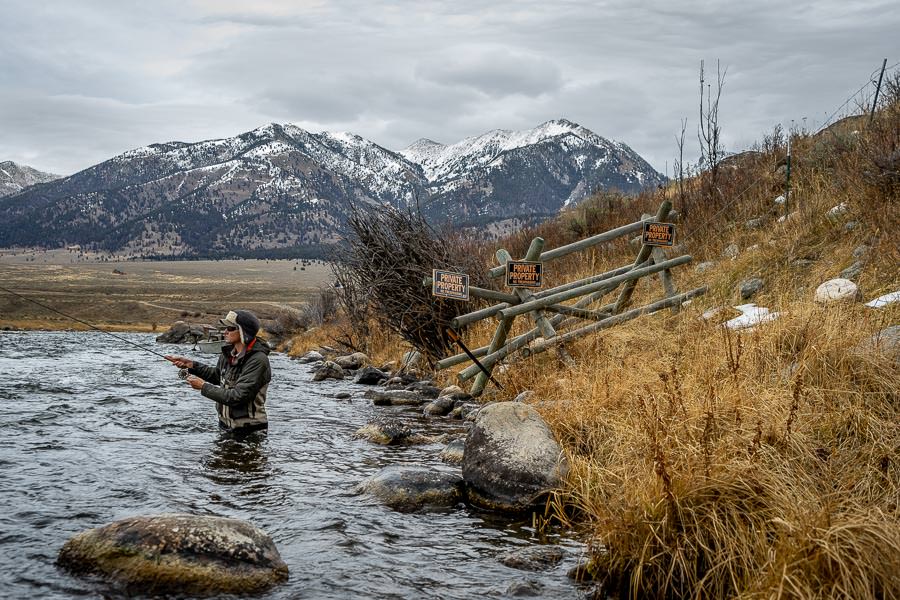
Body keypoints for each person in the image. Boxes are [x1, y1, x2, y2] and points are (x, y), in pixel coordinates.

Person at [165, 309, 271, 433]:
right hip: (225, 426)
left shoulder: (258, 360)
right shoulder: (228, 354)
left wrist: (203, 387)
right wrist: (191, 365)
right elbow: (217, 376)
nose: (225, 332)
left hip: (250, 431)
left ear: (244, 332)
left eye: (230, 328)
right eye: (225, 328)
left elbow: (238, 396)